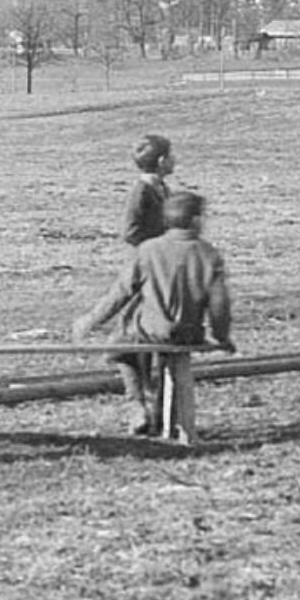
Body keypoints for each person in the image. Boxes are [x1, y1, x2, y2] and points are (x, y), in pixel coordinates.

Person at [78, 185, 235, 445]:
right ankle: (163, 415)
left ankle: (137, 403)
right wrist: (221, 336)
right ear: (196, 221)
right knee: (164, 357)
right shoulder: (208, 254)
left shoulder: (149, 250)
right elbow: (220, 304)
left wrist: (92, 320)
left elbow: (121, 292)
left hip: (153, 330)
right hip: (189, 333)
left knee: (120, 344)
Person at [109, 134, 176, 428]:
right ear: (161, 161)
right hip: (144, 274)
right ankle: (137, 405)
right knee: (125, 342)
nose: (174, 160)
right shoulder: (142, 192)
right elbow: (130, 231)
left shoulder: (162, 189)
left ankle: (159, 410)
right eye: (171, 155)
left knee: (158, 339)